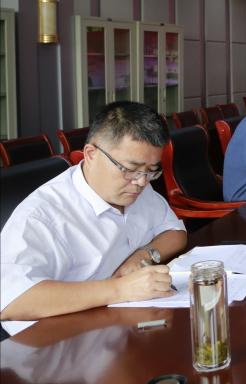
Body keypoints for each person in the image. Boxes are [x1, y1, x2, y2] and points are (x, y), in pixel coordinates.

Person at [1, 101, 186, 335]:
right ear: (91, 154)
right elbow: (11, 301)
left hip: (119, 326)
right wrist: (120, 289)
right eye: (130, 168)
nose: (141, 181)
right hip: (58, 341)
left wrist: (143, 255)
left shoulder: (137, 187)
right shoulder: (41, 216)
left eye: (151, 171)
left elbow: (175, 233)